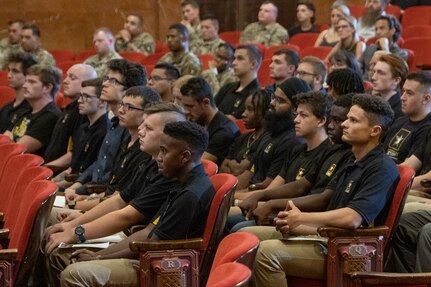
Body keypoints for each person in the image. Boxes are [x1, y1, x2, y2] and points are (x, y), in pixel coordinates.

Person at [251, 93, 399, 287]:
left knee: (265, 254)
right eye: (346, 119)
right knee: (246, 236)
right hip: (329, 237)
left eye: (353, 120)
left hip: (350, 250)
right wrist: (293, 224)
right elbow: (332, 215)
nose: (344, 124)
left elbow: (352, 218)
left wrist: (301, 218)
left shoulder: (381, 167)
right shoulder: (351, 160)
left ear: (375, 131)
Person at [57, 121, 215, 287]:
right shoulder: (182, 182)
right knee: (68, 255)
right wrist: (98, 255)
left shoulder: (189, 195)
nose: (158, 158)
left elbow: (152, 245)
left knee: (74, 274)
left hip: (166, 269)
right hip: (153, 255)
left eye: (164, 151)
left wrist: (98, 257)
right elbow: (148, 232)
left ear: (185, 156)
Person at [45, 104, 187, 284]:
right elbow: (119, 201)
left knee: (67, 259)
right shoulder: (151, 162)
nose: (140, 132)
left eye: (148, 128)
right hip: (129, 237)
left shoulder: (169, 172)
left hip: (140, 247)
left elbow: (127, 217)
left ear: (169, 136)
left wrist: (76, 231)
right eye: (142, 125)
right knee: (52, 224)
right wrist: (74, 224)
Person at [238, 94, 353, 232]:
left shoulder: (339, 153)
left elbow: (321, 198)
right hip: (289, 214)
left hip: (310, 222)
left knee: (240, 230)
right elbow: (300, 185)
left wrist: (269, 203)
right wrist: (261, 197)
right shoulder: (303, 150)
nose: (296, 120)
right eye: (296, 114)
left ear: (321, 120)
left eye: (303, 115)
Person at [63, 59, 146, 199]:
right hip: (94, 193)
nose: (104, 84)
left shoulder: (130, 128)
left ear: (128, 91)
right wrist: (76, 186)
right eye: (107, 79)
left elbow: (115, 175)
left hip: (102, 195)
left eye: (113, 81)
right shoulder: (113, 122)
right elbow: (98, 163)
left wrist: (79, 193)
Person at [235, 78, 309, 192]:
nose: (272, 103)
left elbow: (267, 188)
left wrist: (234, 198)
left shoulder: (292, 141)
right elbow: (249, 173)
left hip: (260, 199)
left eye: (280, 100)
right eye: (274, 97)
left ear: (296, 109)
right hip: (248, 194)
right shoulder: (270, 132)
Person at [52, 78, 110, 189]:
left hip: (84, 188)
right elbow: (72, 169)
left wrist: (53, 186)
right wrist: (51, 181)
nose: (79, 100)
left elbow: (86, 175)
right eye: (80, 96)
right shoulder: (83, 128)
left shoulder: (105, 131)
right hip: (72, 184)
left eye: (86, 96)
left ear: (102, 101)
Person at [43, 64, 98, 166]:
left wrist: (45, 169)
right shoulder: (70, 108)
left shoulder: (83, 112)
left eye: (72, 78)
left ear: (88, 83)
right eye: (67, 76)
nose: (65, 81)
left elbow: (74, 153)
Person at [4, 65, 62, 156]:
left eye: (31, 82)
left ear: (47, 88)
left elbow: (16, 150)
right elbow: (3, 140)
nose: (25, 86)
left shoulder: (50, 116)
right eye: (26, 81)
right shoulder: (24, 112)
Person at [181, 77, 239, 166]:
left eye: (190, 106)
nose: (186, 111)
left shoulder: (224, 131)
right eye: (185, 106)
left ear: (206, 102)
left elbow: (195, 166)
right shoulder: (198, 121)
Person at [220, 89, 271, 175]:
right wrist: (236, 167)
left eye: (250, 109)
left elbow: (238, 170)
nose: (243, 114)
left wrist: (232, 164)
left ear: (265, 112)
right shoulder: (241, 138)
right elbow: (223, 168)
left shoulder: (266, 142)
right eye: (245, 109)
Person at [383, 72, 431, 164]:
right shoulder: (400, 121)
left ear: (426, 99)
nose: (402, 97)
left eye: (409, 93)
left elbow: (406, 170)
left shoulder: (427, 129)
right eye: (403, 91)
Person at [215, 44, 261, 120]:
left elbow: (234, 121)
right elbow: (211, 109)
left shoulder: (256, 95)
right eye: (234, 58)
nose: (233, 63)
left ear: (253, 64)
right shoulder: (227, 87)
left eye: (240, 58)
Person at [360, 14, 408, 80]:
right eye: (376, 29)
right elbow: (358, 69)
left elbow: (394, 75)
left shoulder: (402, 54)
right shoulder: (370, 48)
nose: (377, 32)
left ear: (392, 31)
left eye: (382, 28)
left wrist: (385, 48)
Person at [0, 51, 37, 133]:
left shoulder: (32, 109)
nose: (9, 75)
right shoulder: (6, 108)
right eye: (9, 70)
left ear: (28, 75)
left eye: (15, 71)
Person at [371, 53, 408, 118]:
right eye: (374, 72)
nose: (373, 77)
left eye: (381, 73)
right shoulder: (372, 101)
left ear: (396, 80)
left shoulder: (401, 111)